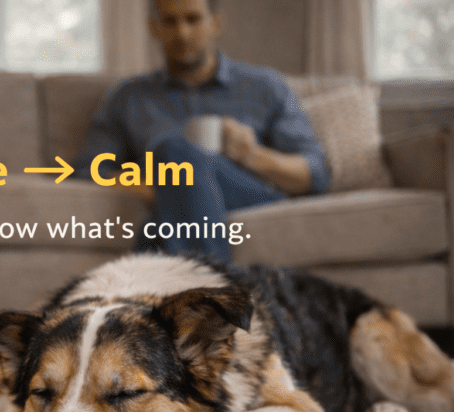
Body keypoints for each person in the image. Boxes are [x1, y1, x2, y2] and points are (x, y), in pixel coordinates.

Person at [76, 0, 330, 262]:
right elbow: (88, 172)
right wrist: (160, 186)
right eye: (170, 21)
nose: (182, 33)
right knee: (164, 202)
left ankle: (197, 291)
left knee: (172, 153)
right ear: (153, 28)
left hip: (251, 195)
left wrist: (253, 155)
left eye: (193, 19)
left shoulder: (265, 86)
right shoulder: (128, 96)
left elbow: (316, 175)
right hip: (167, 193)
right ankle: (208, 296)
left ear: (215, 23)